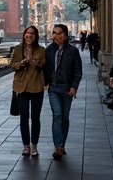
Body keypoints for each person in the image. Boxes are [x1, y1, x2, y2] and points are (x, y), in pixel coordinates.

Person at [44, 22, 82, 160]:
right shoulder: (49, 50)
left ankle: (62, 145)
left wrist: (74, 87)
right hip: (53, 87)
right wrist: (45, 83)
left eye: (59, 33)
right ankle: (58, 146)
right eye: (54, 32)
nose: (56, 35)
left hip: (67, 88)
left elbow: (78, 72)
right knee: (57, 115)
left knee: (65, 117)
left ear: (65, 36)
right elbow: (45, 68)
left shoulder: (73, 51)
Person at [10, 25, 47, 158]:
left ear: (35, 36)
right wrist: (20, 63)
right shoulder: (18, 49)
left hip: (36, 87)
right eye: (27, 33)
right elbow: (12, 64)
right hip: (21, 87)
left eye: (32, 33)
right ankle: (26, 145)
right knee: (24, 117)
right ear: (24, 35)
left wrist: (33, 62)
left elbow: (43, 64)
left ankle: (34, 145)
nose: (29, 35)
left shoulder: (41, 50)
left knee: (35, 118)